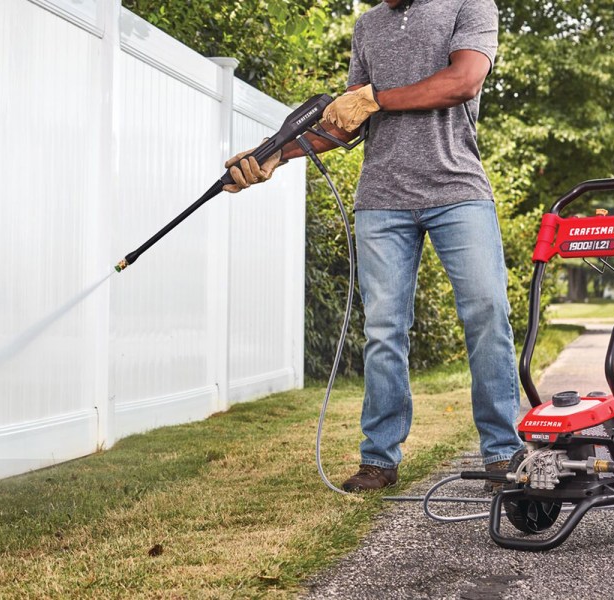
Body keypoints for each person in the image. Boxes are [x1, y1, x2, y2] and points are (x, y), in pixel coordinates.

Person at [223, 0, 521, 491]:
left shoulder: (470, 4)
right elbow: (346, 118)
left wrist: (377, 97)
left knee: (487, 311)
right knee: (383, 330)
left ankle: (503, 453)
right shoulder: (368, 26)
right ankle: (379, 459)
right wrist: (273, 154)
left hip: (458, 192)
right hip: (381, 200)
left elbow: (462, 81)